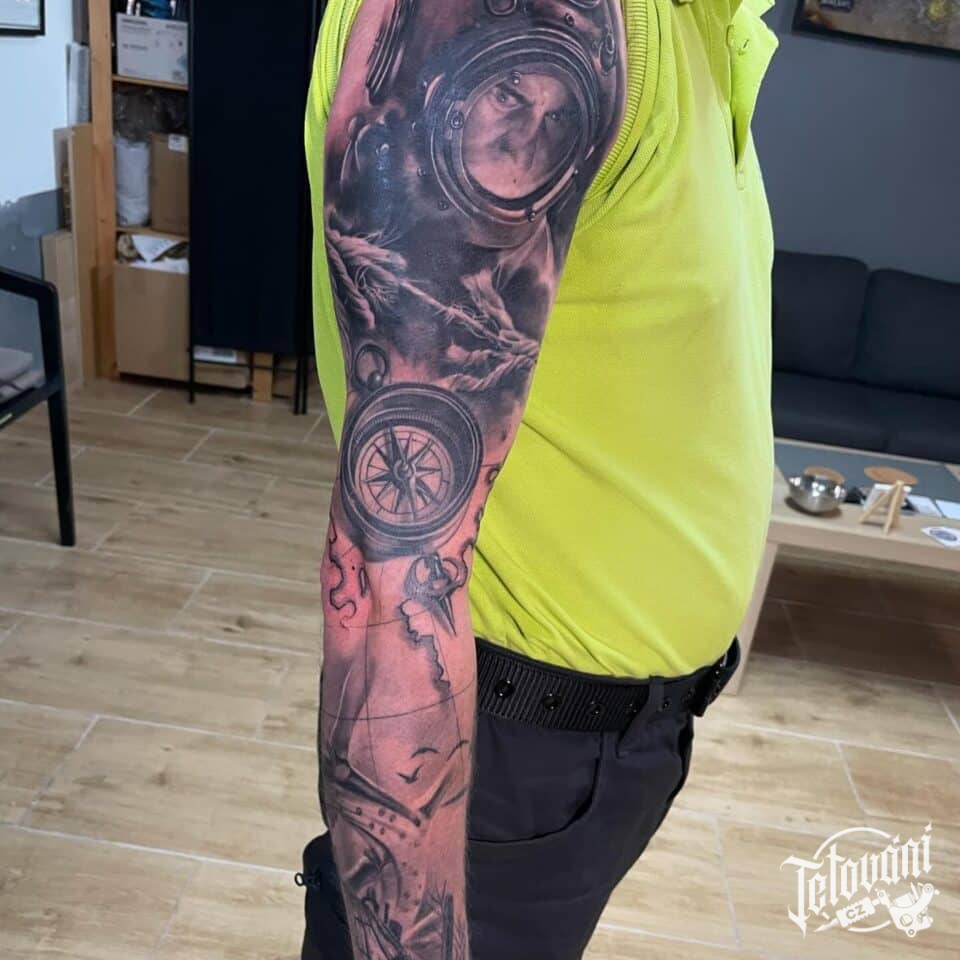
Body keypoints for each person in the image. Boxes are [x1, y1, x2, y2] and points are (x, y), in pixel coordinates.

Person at [296, 0, 778, 957]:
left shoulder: (693, 27)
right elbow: (394, 566)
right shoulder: (511, 17)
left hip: (603, 751)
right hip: (495, 753)